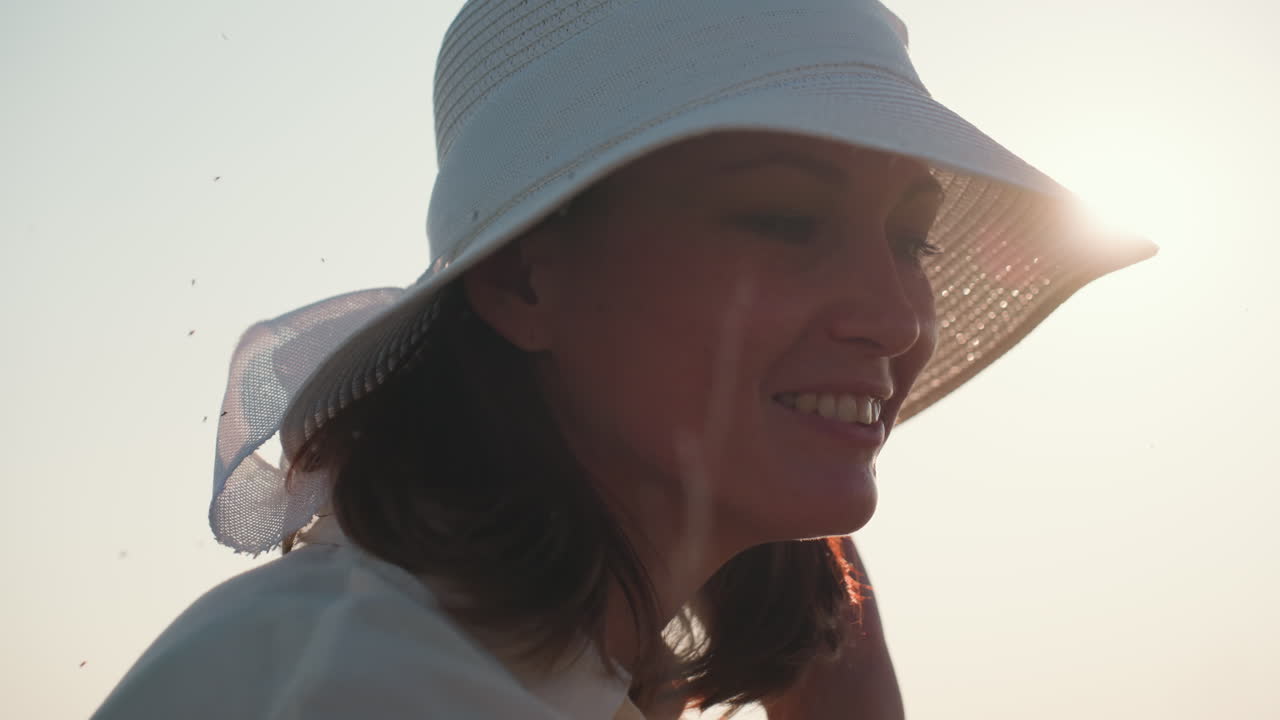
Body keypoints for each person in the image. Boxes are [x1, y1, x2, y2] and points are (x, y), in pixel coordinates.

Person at [93, 1, 1155, 718]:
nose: (892, 313)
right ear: (522, 284)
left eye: (908, 239)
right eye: (784, 219)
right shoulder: (382, 687)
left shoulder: (464, 657)